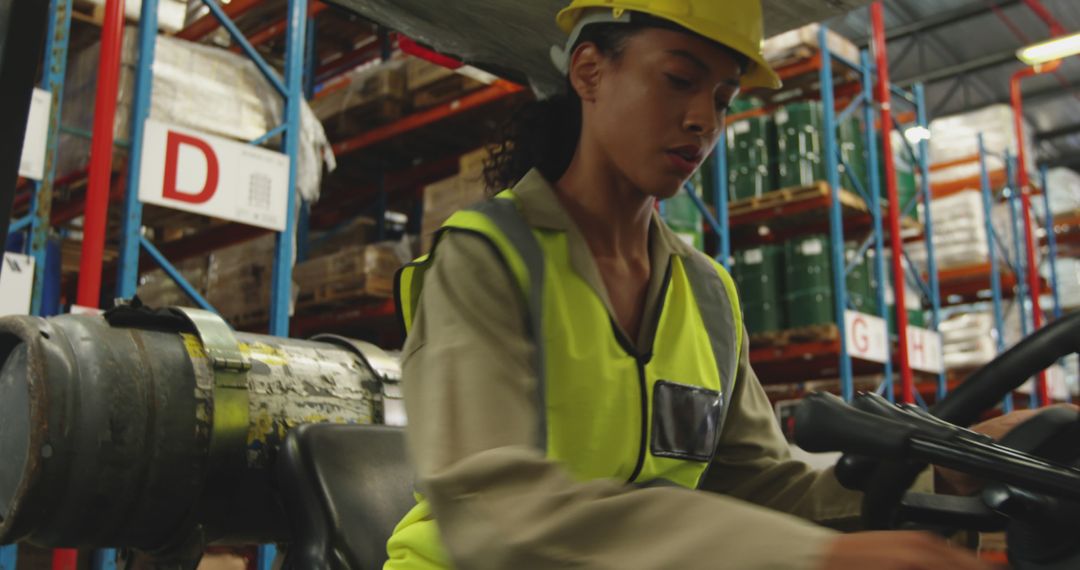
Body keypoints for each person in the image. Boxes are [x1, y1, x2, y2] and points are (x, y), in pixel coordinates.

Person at [385, 2, 1014, 568]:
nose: (702, 121)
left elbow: (761, 484)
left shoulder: (705, 292)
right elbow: (495, 509)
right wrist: (810, 556)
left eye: (722, 98)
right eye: (679, 81)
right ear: (589, 72)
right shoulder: (486, 257)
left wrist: (942, 471)